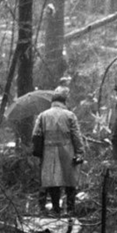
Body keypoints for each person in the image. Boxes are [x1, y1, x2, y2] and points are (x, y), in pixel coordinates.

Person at [32, 87, 85, 215]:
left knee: (52, 181)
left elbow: (35, 135)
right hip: (67, 150)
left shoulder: (43, 115)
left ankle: (56, 209)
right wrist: (80, 152)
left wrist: (38, 151)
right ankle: (70, 210)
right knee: (69, 181)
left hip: (48, 151)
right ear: (64, 102)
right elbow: (76, 136)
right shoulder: (70, 115)